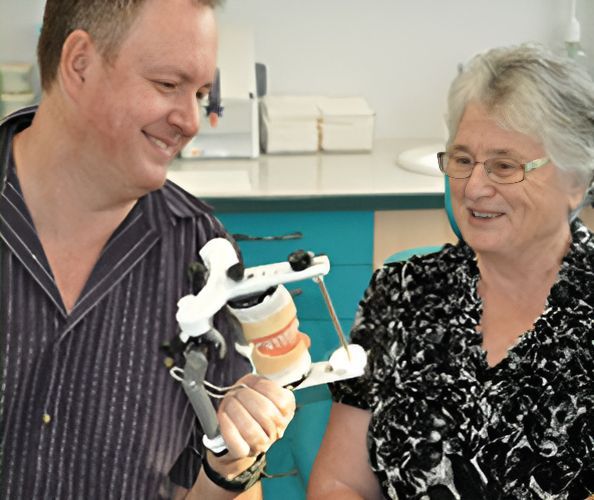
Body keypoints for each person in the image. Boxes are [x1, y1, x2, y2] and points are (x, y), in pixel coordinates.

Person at [0, 0, 295, 498]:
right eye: (167, 85)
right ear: (80, 64)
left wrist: (233, 464)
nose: (191, 120)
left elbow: (208, 485)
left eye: (200, 93)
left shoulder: (202, 253)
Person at [309, 44, 594, 499]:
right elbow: (341, 482)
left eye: (505, 166)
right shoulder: (400, 292)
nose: (475, 187)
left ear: (575, 181)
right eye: (462, 160)